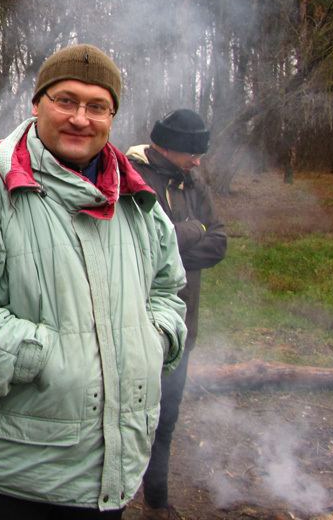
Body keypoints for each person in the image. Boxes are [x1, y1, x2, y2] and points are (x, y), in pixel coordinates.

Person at [0, 43, 188, 519]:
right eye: (66, 100)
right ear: (37, 105)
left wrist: (154, 339)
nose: (80, 118)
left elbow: (167, 289)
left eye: (97, 106)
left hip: (111, 477)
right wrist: (46, 357)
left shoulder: (139, 203)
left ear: (112, 117)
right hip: (14, 480)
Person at [125, 110, 227, 520]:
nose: (198, 161)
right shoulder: (132, 175)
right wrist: (192, 230)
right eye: (192, 153)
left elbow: (218, 241)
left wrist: (176, 244)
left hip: (183, 324)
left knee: (166, 419)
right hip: (135, 322)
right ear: (165, 146)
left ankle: (157, 502)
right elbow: (142, 247)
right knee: (126, 418)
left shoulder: (193, 181)